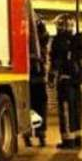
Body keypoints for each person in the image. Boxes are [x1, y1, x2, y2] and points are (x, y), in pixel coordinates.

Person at [49, 16, 82, 149]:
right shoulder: (76, 40)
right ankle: (78, 138)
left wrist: (51, 76)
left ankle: (68, 140)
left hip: (65, 81)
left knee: (66, 110)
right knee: (76, 110)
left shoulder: (58, 41)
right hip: (76, 82)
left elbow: (55, 61)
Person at [25, 14, 49, 147]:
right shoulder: (36, 35)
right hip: (34, 78)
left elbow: (45, 39)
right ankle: (34, 134)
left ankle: (37, 134)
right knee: (36, 108)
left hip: (35, 78)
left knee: (34, 107)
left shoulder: (39, 36)